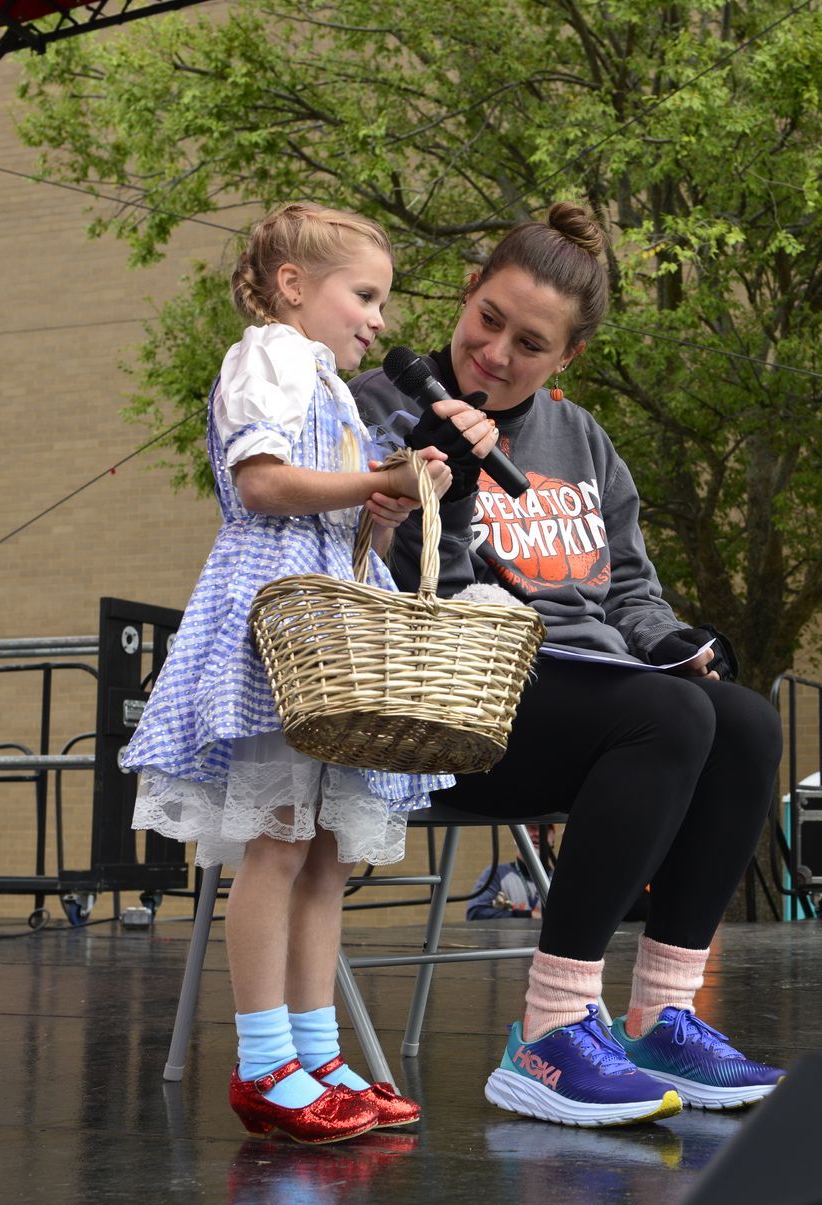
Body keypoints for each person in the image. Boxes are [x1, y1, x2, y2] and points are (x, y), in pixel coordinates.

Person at [351, 202, 787, 1127]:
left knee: (742, 717)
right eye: (490, 320)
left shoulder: (582, 439)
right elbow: (382, 576)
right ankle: (552, 1032)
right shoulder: (380, 407)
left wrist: (672, 641)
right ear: (468, 292)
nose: (498, 354)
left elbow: (629, 589)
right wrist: (448, 489)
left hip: (591, 697)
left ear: (566, 360)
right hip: (452, 698)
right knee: (672, 718)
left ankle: (663, 1012)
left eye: (531, 343)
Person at [119, 202, 497, 1143]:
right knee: (280, 841)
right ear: (294, 285)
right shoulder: (271, 356)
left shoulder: (325, 379)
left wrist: (389, 506)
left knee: (324, 852)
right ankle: (262, 1064)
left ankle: (314, 1048)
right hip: (279, 620)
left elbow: (340, 509)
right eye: (364, 294)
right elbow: (262, 484)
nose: (379, 319)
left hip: (331, 617)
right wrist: (379, 481)